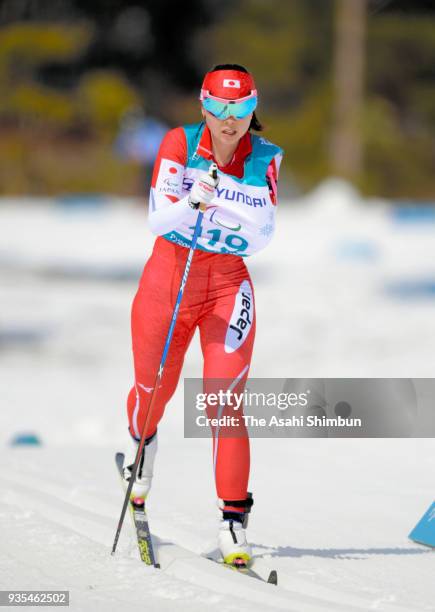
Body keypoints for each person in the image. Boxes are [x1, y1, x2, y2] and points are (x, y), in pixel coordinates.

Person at [122, 64, 283, 566]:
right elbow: (158, 217)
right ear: (203, 105)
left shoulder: (267, 157)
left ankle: (234, 520)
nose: (229, 119)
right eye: (218, 107)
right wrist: (193, 200)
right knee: (154, 390)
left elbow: (260, 234)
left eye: (239, 108)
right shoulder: (178, 143)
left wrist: (217, 205)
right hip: (168, 281)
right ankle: (141, 447)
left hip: (227, 286)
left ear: (253, 107)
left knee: (224, 401)